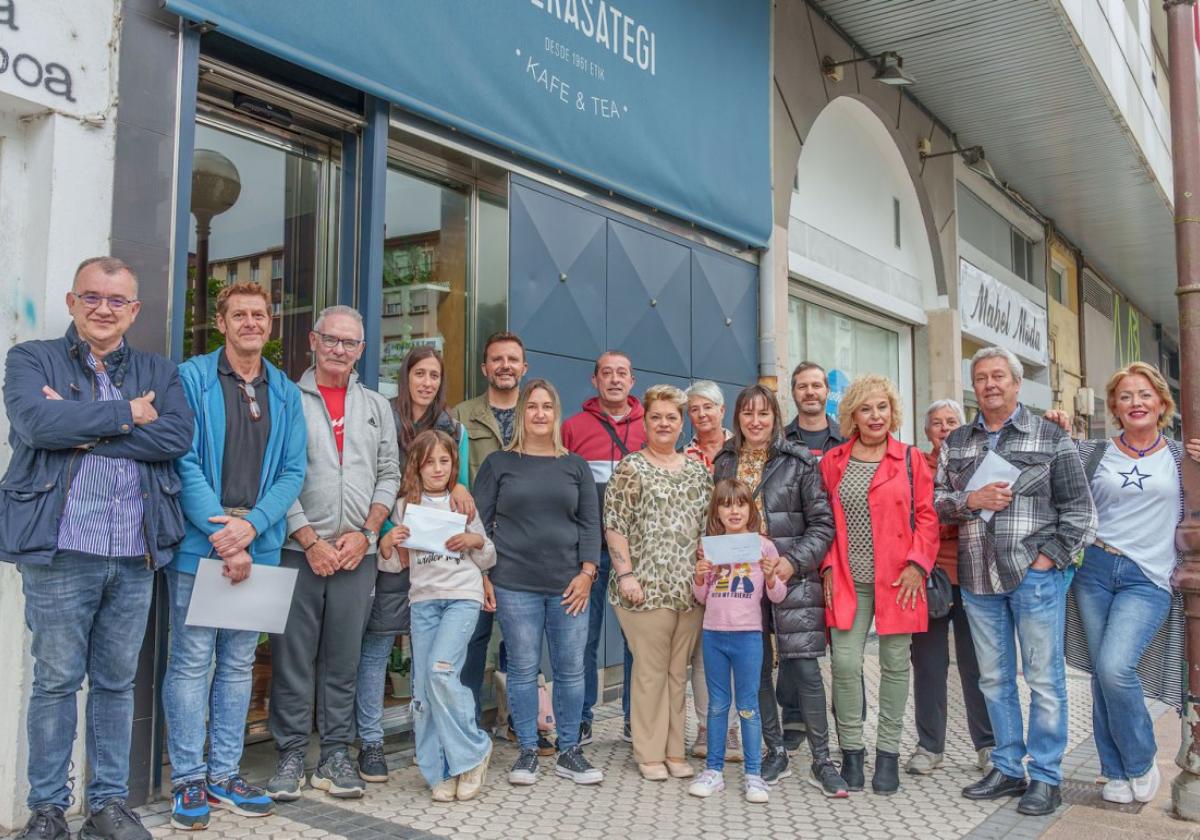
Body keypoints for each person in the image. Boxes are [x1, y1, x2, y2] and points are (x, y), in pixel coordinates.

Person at [2, 257, 192, 840]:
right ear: (71, 302)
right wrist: (128, 415)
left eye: (116, 301)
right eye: (92, 297)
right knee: (56, 681)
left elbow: (176, 435)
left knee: (115, 683)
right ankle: (49, 810)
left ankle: (108, 806)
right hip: (60, 551)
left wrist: (82, 429)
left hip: (134, 554)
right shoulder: (32, 358)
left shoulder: (159, 369)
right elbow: (35, 425)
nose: (103, 309)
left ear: (134, 310)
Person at [168, 282, 307, 831]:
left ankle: (225, 775)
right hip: (201, 545)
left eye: (260, 314)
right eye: (239, 315)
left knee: (237, 667)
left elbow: (294, 471)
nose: (251, 322)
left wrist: (250, 527)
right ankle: (187, 780)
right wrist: (222, 532)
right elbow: (182, 460)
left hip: (261, 544)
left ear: (270, 324)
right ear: (221, 323)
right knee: (191, 664)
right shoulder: (193, 378)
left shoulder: (286, 392)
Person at [935, 346, 1097, 817]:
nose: (990, 384)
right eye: (981, 377)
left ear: (1016, 383)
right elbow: (937, 503)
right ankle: (1007, 766)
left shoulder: (1050, 436)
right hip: (977, 579)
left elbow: (1081, 512)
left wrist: (1049, 559)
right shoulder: (958, 441)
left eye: (998, 376)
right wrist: (971, 498)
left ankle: (1046, 776)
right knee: (994, 679)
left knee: (1045, 681)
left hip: (1034, 579)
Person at [265, 306, 400, 801]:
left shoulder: (376, 406)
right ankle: (291, 755)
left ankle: (335, 756)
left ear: (362, 350)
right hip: (297, 551)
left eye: (350, 343)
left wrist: (367, 532)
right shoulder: (287, 398)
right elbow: (276, 471)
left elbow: (389, 473)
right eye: (332, 339)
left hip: (355, 554)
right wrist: (307, 538)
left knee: (343, 660)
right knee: (293, 658)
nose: (340, 349)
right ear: (313, 341)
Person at [712, 385, 844, 795]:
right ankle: (775, 750)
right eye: (747, 414)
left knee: (804, 667)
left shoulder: (798, 461)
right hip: (740, 586)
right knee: (757, 674)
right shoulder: (724, 461)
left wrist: (792, 562)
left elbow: (823, 524)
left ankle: (823, 759)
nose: (756, 421)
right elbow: (716, 520)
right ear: (737, 418)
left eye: (764, 414)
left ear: (775, 417)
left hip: (791, 578)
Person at [474, 379, 603, 786]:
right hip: (514, 583)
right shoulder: (499, 464)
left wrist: (587, 573)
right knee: (524, 669)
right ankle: (528, 749)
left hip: (569, 585)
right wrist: (482, 575)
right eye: (533, 406)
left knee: (569, 670)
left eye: (547, 406)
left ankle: (569, 751)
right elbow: (478, 523)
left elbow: (590, 523)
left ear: (556, 412)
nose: (540, 413)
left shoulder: (575, 466)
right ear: (522, 414)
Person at [354, 346, 472, 783]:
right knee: (379, 645)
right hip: (395, 546)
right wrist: (381, 531)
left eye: (435, 376)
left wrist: (462, 487)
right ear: (405, 377)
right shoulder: (382, 416)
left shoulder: (451, 427)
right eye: (420, 374)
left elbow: (461, 483)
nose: (427, 383)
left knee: (436, 662)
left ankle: (447, 744)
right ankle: (369, 741)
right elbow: (371, 476)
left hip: (438, 559)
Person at [819, 375, 939, 795]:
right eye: (866, 408)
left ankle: (887, 754)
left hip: (899, 581)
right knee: (846, 664)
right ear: (852, 415)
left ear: (893, 412)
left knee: (894, 665)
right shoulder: (833, 461)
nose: (875, 416)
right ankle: (852, 752)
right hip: (848, 579)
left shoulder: (910, 459)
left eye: (883, 407)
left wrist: (917, 565)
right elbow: (823, 523)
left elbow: (927, 517)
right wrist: (827, 569)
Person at [1071, 363, 1183, 805]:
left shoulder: (1179, 456)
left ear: (1160, 403)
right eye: (1125, 396)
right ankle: (1113, 769)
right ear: (1114, 407)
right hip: (1095, 569)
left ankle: (1139, 760)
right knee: (1102, 674)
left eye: (1144, 394)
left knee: (1117, 667)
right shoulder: (1094, 453)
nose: (1135, 403)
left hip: (1148, 576)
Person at [379, 430, 496, 802]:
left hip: (462, 596)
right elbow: (394, 566)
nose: (437, 469)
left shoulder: (462, 503)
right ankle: (439, 770)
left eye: (444, 461)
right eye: (429, 462)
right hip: (423, 601)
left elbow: (488, 555)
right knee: (423, 691)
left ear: (453, 464)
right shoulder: (402, 507)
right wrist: (387, 542)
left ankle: (474, 751)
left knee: (440, 670)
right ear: (416, 465)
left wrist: (473, 540)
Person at [605, 385, 712, 781]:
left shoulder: (698, 470)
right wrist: (626, 574)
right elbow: (615, 526)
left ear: (681, 424)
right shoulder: (631, 468)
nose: (664, 423)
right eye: (656, 417)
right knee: (649, 671)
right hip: (643, 590)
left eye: (671, 417)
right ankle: (648, 753)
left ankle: (674, 750)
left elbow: (706, 527)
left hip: (688, 591)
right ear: (645, 422)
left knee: (676, 673)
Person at [907, 400, 994, 776]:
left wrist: (952, 511)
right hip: (930, 577)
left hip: (976, 575)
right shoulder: (915, 468)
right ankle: (929, 746)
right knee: (928, 664)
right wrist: (960, 511)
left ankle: (988, 746)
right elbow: (921, 517)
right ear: (927, 431)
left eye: (952, 421)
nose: (944, 428)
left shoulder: (980, 465)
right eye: (937, 423)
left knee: (978, 665)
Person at [688, 479, 788, 804]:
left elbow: (777, 594)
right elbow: (701, 596)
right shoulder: (710, 546)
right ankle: (713, 771)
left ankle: (754, 775)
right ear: (717, 510)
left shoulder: (764, 546)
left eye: (740, 504)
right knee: (718, 705)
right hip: (714, 633)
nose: (734, 510)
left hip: (748, 636)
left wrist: (772, 576)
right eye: (726, 504)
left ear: (750, 509)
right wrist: (700, 574)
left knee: (747, 705)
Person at [563, 350, 644, 744]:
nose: (614, 379)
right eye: (607, 373)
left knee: (637, 640)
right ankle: (581, 717)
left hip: (637, 555)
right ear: (594, 380)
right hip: (588, 552)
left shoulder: (652, 427)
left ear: (632, 381)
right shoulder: (574, 428)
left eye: (622, 373)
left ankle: (635, 717)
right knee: (584, 638)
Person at [453, 331, 528, 724]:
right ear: (485, 368)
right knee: (473, 635)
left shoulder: (538, 415)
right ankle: (465, 725)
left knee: (520, 639)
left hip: (522, 543)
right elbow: (450, 475)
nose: (505, 366)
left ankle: (519, 722)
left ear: (524, 368)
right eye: (497, 360)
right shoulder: (461, 416)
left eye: (512, 360)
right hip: (475, 543)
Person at [780, 361, 845, 751]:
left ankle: (847, 723)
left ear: (826, 391)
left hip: (840, 554)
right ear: (794, 393)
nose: (810, 392)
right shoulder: (782, 440)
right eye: (802, 386)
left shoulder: (846, 438)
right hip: (795, 550)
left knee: (844, 646)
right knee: (794, 637)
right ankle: (793, 719)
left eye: (817, 385)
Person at [682, 381, 740, 762]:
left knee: (741, 649)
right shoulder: (684, 456)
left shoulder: (743, 450)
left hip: (741, 560)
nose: (702, 415)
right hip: (700, 561)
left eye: (708, 408)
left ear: (722, 410)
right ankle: (706, 727)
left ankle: (734, 729)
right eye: (695, 410)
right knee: (704, 653)